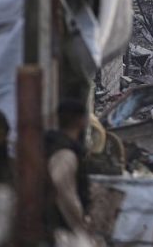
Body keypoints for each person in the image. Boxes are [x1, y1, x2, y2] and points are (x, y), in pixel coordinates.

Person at [45, 99, 91, 234]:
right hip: (60, 226)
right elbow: (63, 190)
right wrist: (79, 221)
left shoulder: (52, 144)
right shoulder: (65, 152)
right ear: (81, 120)